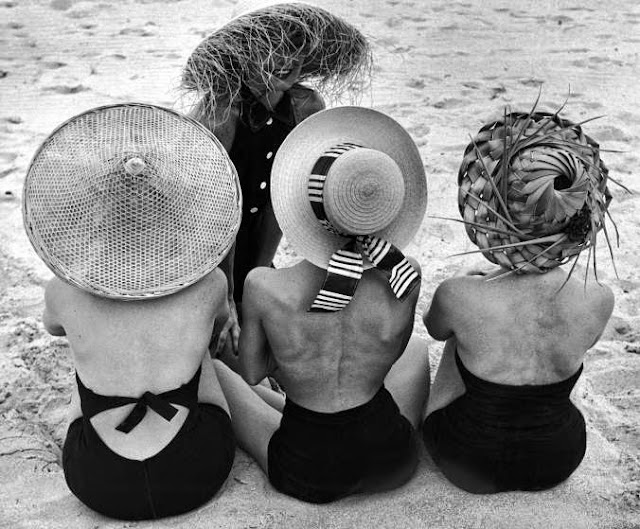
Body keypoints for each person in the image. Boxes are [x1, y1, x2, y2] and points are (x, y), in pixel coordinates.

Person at [22, 103, 242, 520]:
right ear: (177, 213)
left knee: (85, 351)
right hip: (196, 473)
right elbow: (218, 325)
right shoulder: (210, 284)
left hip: (98, 482)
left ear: (92, 212)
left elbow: (52, 327)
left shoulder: (63, 291)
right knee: (198, 354)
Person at [213, 106, 430, 503]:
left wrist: (299, 360)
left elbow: (253, 372)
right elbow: (395, 353)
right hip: (390, 458)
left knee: (217, 372)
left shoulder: (264, 285)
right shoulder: (404, 274)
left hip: (306, 468)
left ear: (304, 206)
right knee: (417, 350)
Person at [422, 108, 616, 494]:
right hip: (559, 458)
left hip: (467, 461)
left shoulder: (458, 294)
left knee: (460, 333)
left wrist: (475, 286)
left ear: (491, 215)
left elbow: (434, 329)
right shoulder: (599, 297)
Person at [180, 1, 372, 356]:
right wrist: (228, 294)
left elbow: (279, 198)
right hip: (205, 239)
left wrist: (257, 280)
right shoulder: (221, 111)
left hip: (257, 233)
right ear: (243, 56)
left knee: (258, 319)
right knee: (216, 337)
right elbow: (214, 209)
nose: (286, 59)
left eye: (295, 48)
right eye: (270, 49)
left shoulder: (306, 105)